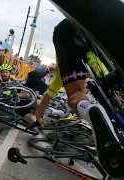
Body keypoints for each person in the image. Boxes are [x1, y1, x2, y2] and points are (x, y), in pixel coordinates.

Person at [35, 19, 123, 177]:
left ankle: (89, 109)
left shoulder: (63, 76)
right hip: (82, 29)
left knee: (75, 97)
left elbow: (47, 96)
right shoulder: (84, 67)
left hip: (66, 32)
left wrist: (38, 115)